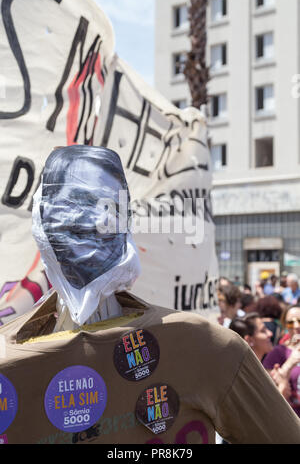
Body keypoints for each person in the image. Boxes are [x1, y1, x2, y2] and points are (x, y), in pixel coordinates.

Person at [1, 145, 300, 444]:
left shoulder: (202, 345)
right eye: (74, 206)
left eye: (107, 207)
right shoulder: (8, 361)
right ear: (42, 221)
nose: (92, 222)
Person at [263, 304, 300, 418]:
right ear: (285, 326)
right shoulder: (278, 353)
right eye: (290, 322)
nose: (296, 326)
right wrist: (290, 363)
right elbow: (268, 391)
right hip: (292, 421)